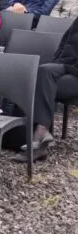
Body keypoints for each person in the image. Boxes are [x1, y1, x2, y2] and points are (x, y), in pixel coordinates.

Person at [21, 18, 78, 162]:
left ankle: (39, 137)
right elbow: (65, 42)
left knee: (42, 84)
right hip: (66, 66)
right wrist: (58, 62)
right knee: (42, 71)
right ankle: (41, 135)